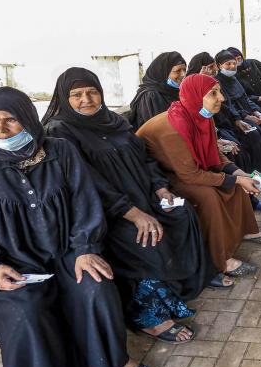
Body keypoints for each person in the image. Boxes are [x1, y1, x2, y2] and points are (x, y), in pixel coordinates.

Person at [0, 87, 153, 367]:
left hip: (65, 251)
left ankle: (116, 359)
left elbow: (85, 202)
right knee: (27, 310)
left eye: (10, 120)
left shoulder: (60, 151)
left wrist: (84, 248)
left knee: (96, 287)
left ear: (28, 117)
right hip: (7, 263)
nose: (1, 129)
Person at [43, 67, 223, 343]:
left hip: (145, 194)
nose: (86, 100)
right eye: (76, 95)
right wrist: (132, 213)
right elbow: (87, 182)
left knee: (181, 212)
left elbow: (145, 158)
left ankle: (185, 283)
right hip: (107, 211)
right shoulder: (60, 132)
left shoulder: (114, 120)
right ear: (64, 99)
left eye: (92, 92)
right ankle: (148, 317)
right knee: (145, 238)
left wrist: (160, 187)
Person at [137, 74, 261, 280]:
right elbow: (190, 175)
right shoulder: (173, 127)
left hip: (184, 168)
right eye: (213, 93)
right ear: (195, 96)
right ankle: (221, 260)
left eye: (219, 91)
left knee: (235, 185)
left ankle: (247, 230)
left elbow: (214, 154)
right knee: (209, 196)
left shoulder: (201, 117)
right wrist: (235, 179)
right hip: (159, 178)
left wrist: (238, 173)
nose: (221, 98)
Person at [188, 52, 261, 181]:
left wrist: (244, 116)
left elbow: (231, 102)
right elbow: (199, 115)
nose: (233, 66)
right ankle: (249, 175)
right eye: (209, 67)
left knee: (259, 127)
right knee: (240, 143)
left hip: (227, 120)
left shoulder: (223, 81)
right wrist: (239, 119)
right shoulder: (191, 88)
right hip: (218, 126)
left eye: (213, 66)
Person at [214, 50, 261, 174]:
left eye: (234, 63)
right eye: (228, 64)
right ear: (219, 66)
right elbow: (229, 106)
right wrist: (245, 117)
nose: (232, 67)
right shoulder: (219, 83)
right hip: (233, 119)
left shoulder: (233, 79)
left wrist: (256, 111)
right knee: (254, 132)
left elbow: (245, 99)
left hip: (246, 113)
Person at [128, 51, 187, 130]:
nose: (183, 74)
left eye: (184, 70)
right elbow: (160, 130)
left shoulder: (175, 91)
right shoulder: (151, 96)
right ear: (163, 73)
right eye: (178, 71)